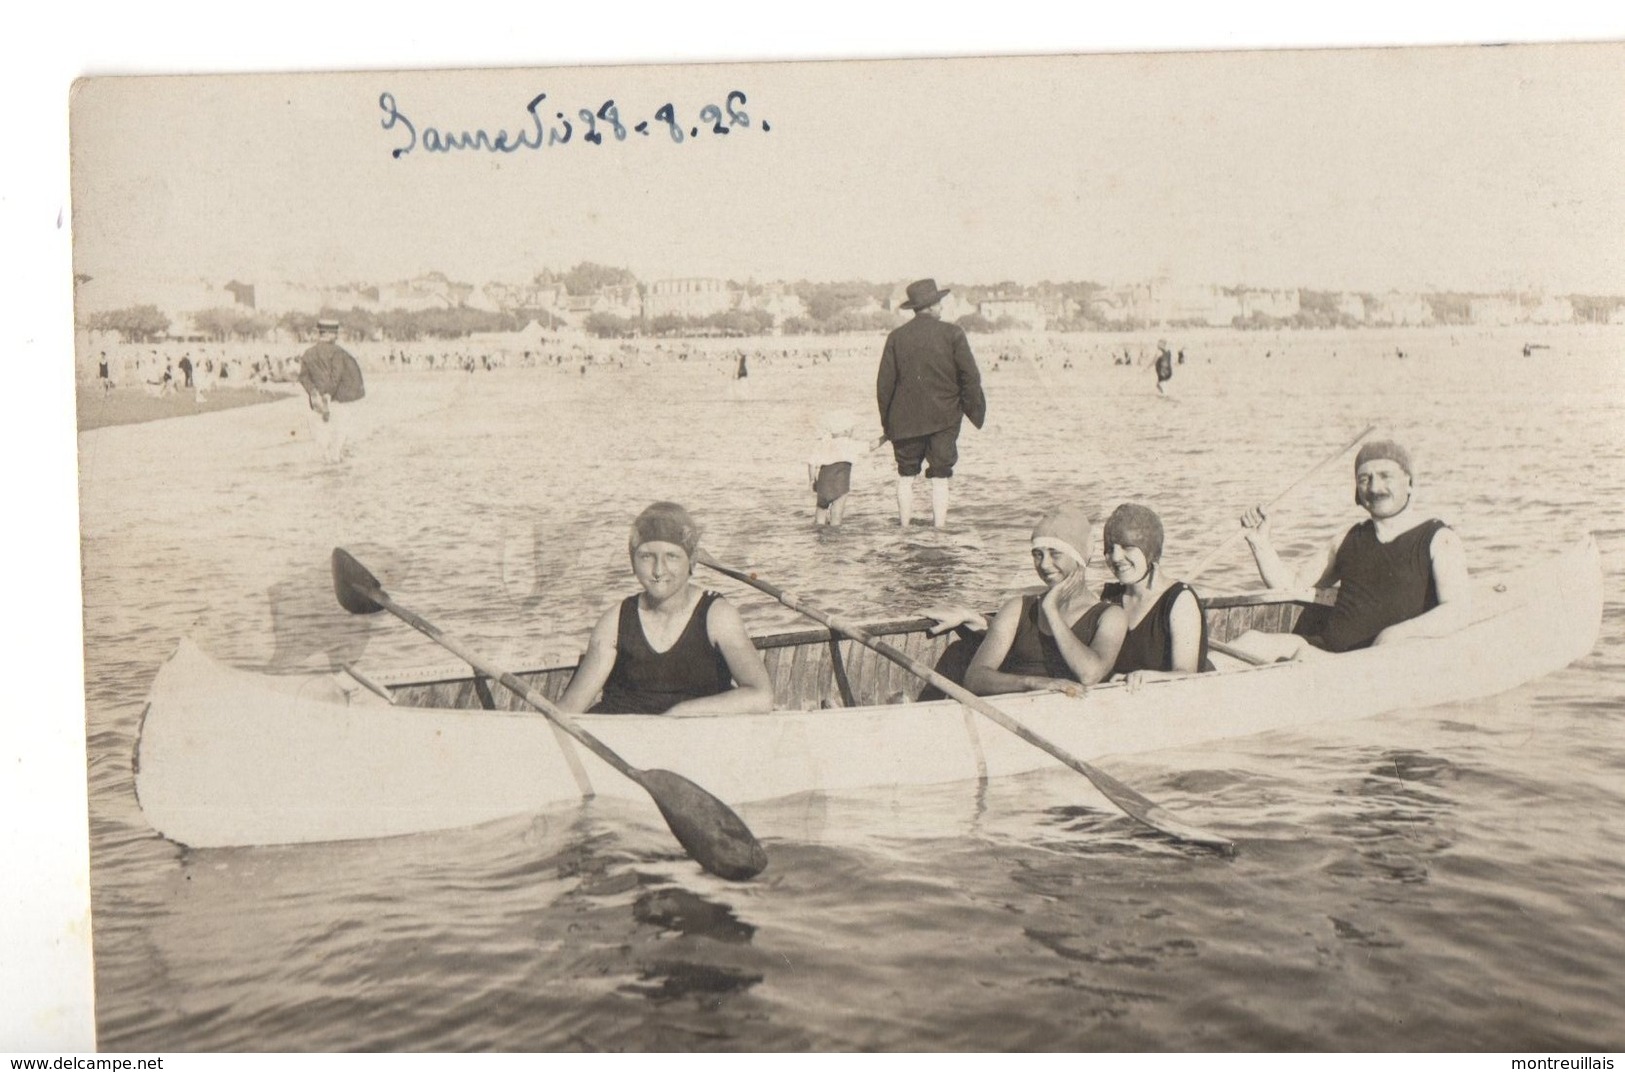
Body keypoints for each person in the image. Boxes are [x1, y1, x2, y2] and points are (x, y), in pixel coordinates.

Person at [1230, 439, 1471, 660]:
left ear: (1409, 482)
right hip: (1327, 651)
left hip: (1380, 661)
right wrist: (1259, 542)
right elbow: (1291, 586)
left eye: (1385, 476)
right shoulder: (1346, 538)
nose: (1375, 488)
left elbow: (1457, 610)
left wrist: (1394, 635)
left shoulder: (1439, 538)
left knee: (1304, 658)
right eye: (1365, 479)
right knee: (1249, 642)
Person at [557, 502, 775, 715]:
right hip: (623, 737)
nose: (658, 570)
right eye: (646, 557)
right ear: (632, 562)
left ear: (692, 561)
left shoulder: (717, 616)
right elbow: (568, 711)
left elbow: (760, 696)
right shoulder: (614, 621)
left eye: (671, 556)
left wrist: (681, 712)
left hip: (695, 742)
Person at [961, 505, 1127, 696]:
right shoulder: (1017, 608)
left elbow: (1090, 675)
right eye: (1038, 554)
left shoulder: (1110, 616)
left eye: (1055, 553)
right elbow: (974, 678)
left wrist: (1052, 612)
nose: (1045, 565)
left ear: (1079, 558)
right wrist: (1035, 683)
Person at [876, 278, 987, 528]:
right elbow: (970, 377)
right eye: (940, 303)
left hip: (904, 421)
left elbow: (884, 386)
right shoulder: (953, 333)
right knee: (940, 477)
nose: (942, 308)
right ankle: (939, 530)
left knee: (905, 476)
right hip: (944, 417)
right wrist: (971, 410)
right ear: (933, 305)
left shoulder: (896, 337)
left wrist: (888, 424)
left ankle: (904, 528)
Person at [1098, 503, 1213, 690]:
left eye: (1127, 547)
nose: (1116, 557)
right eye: (1110, 549)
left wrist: (1147, 677)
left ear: (1150, 550)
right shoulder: (1109, 598)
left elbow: (1186, 674)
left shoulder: (1180, 600)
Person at [297, 320, 366, 462]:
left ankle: (324, 473)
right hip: (336, 401)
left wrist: (314, 392)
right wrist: (327, 394)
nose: (336, 337)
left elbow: (303, 377)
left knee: (322, 440)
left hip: (317, 403)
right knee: (338, 440)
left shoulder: (308, 353)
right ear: (329, 334)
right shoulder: (338, 352)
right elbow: (336, 376)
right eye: (335, 334)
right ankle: (337, 474)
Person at [806, 412, 886, 526]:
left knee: (820, 510)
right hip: (841, 483)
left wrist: (812, 480)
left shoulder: (823, 443)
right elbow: (871, 446)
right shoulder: (849, 443)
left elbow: (811, 463)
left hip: (823, 483)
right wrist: (886, 437)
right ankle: (835, 533)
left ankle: (819, 531)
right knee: (837, 513)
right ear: (846, 431)